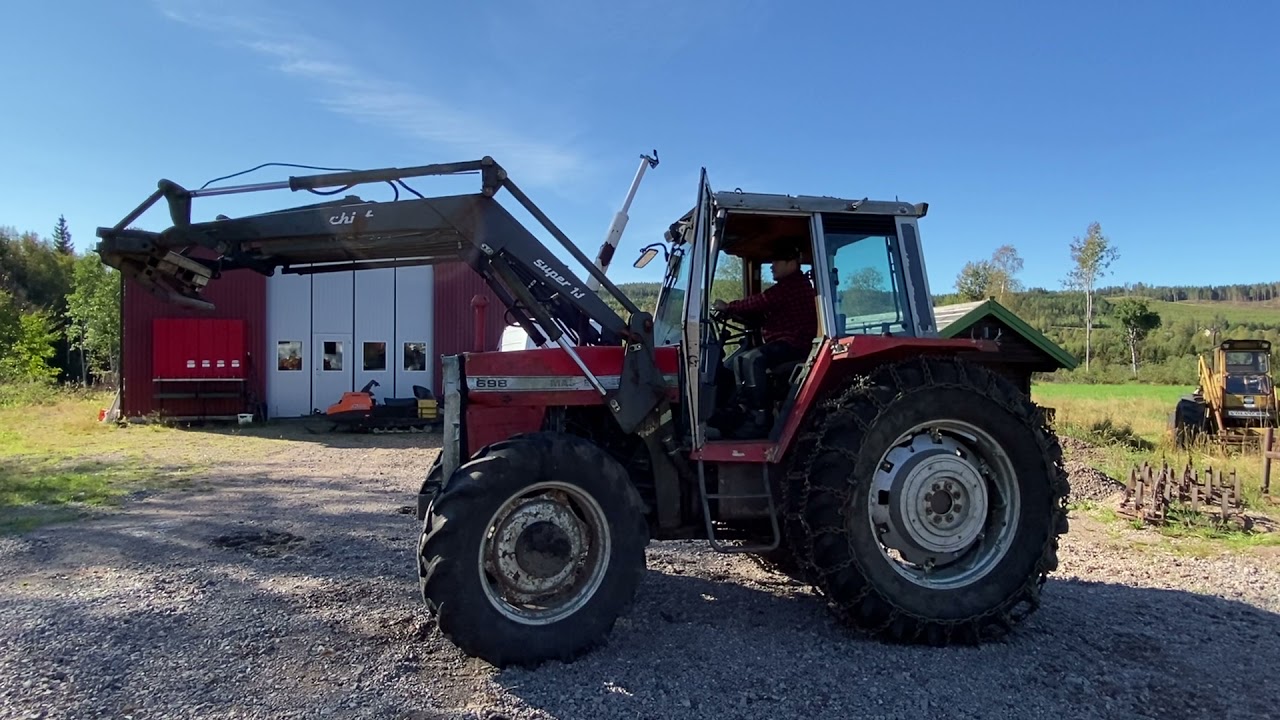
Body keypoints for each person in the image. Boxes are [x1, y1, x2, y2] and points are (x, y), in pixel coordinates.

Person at [712, 238, 818, 438]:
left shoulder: (793, 285)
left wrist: (729, 307)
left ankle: (760, 418)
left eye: (776, 261)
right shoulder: (789, 286)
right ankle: (741, 409)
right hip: (785, 341)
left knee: (754, 359)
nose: (772, 266)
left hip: (796, 344)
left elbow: (762, 301)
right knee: (740, 359)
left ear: (791, 262)